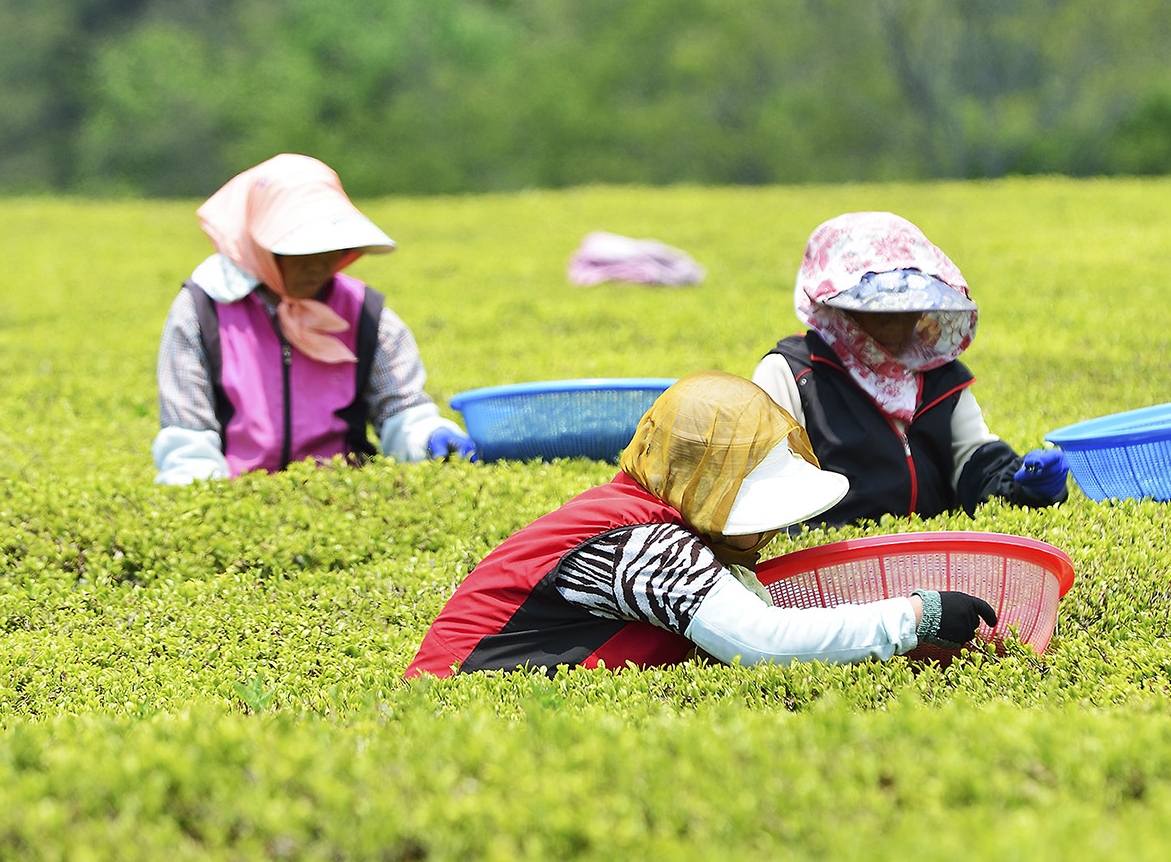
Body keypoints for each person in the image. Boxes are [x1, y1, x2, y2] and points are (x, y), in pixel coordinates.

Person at [406, 372, 997, 677]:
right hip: (465, 704)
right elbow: (761, 643)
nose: (770, 535)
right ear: (706, 491)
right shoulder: (642, 543)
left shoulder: (638, 513)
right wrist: (915, 618)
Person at [152, 154, 475, 484]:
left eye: (332, 247)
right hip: (238, 493)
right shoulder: (202, 312)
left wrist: (430, 438)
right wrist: (211, 501)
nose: (319, 265)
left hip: (344, 495)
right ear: (259, 246)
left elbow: (402, 413)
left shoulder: (367, 314)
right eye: (302, 249)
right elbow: (188, 438)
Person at [750, 211, 1067, 527]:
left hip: (933, 553)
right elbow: (767, 491)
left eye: (909, 303)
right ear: (834, 305)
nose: (899, 321)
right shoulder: (791, 374)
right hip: (835, 556)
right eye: (878, 306)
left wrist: (1024, 485)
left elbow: (974, 460)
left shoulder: (941, 375)